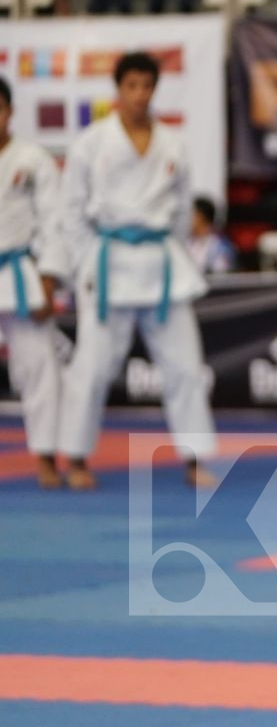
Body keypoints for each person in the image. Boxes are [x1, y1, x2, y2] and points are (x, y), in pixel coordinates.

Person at [56, 52, 216, 491]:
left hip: (161, 267)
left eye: (147, 86)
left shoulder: (173, 145)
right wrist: (87, 262)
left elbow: (183, 211)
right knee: (91, 368)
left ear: (155, 89)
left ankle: (195, 457)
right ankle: (76, 456)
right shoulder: (91, 143)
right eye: (132, 86)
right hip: (109, 265)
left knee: (185, 366)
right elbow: (70, 212)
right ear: (118, 89)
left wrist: (171, 249)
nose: (140, 95)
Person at [0, 77, 65, 489]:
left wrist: (48, 278)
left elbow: (54, 223)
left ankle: (45, 458)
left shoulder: (34, 159)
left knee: (40, 368)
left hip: (17, 274)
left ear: (9, 111)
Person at [187, 197, 237, 275]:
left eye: (191, 215)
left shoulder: (221, 247)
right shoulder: (186, 243)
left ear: (201, 217)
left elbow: (221, 276)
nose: (187, 220)